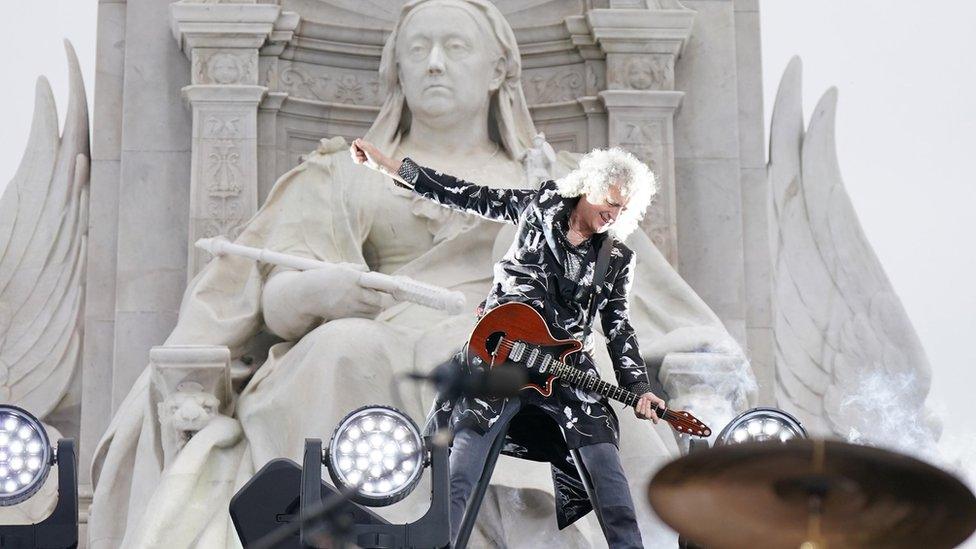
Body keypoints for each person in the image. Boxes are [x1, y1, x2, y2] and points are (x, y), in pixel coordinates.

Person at [352, 137, 664, 548]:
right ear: (588, 186)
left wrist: (640, 388)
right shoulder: (539, 207)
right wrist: (393, 168)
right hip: (503, 353)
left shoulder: (617, 259)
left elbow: (618, 326)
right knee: (461, 471)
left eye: (623, 209)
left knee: (609, 476)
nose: (613, 214)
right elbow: (467, 195)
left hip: (565, 369)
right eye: (609, 201)